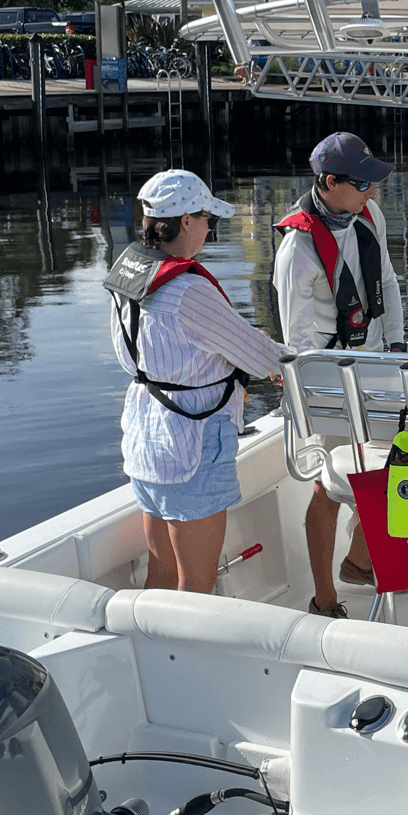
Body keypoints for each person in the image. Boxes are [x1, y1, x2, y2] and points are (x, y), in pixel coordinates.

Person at [105, 169, 286, 594]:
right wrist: (287, 359)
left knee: (162, 575)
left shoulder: (127, 276)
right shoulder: (187, 290)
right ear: (186, 220)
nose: (210, 229)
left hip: (147, 439)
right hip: (192, 443)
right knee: (197, 588)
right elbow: (257, 357)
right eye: (208, 219)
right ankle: (188, 661)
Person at [273, 133, 407, 618]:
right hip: (330, 379)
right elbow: (299, 344)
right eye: (364, 184)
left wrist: (396, 348)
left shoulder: (369, 215)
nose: (372, 193)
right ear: (330, 182)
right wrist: (322, 401)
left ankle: (359, 560)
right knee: (328, 486)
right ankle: (324, 595)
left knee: (391, 471)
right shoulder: (297, 250)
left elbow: (387, 282)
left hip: (377, 366)